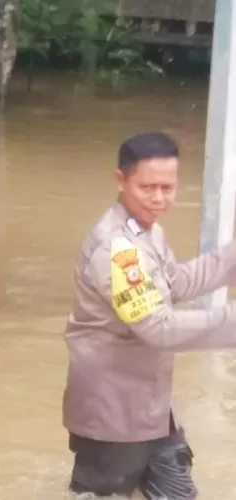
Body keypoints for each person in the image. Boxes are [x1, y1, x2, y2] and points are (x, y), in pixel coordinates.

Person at [63, 131, 236, 499]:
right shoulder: (116, 250)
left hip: (152, 408)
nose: (159, 199)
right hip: (112, 413)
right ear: (120, 181)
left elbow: (175, 284)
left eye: (168, 188)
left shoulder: (146, 232)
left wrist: (231, 257)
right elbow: (158, 328)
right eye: (148, 187)